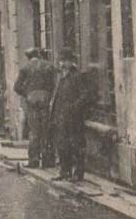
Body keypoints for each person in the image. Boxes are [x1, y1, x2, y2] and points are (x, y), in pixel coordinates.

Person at [48, 47, 88, 182]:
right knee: (62, 146)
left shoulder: (77, 76)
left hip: (74, 118)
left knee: (76, 146)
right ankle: (64, 171)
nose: (62, 64)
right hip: (61, 117)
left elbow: (84, 97)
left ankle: (77, 173)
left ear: (71, 62)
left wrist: (73, 108)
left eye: (65, 61)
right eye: (61, 61)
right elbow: (57, 96)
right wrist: (54, 113)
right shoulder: (61, 77)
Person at [14, 48, 57, 168]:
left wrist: (27, 93)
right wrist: (48, 94)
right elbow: (54, 84)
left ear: (28, 57)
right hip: (45, 100)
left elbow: (16, 87)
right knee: (46, 129)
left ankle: (34, 160)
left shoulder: (25, 68)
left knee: (34, 131)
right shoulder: (49, 66)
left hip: (32, 101)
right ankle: (48, 160)